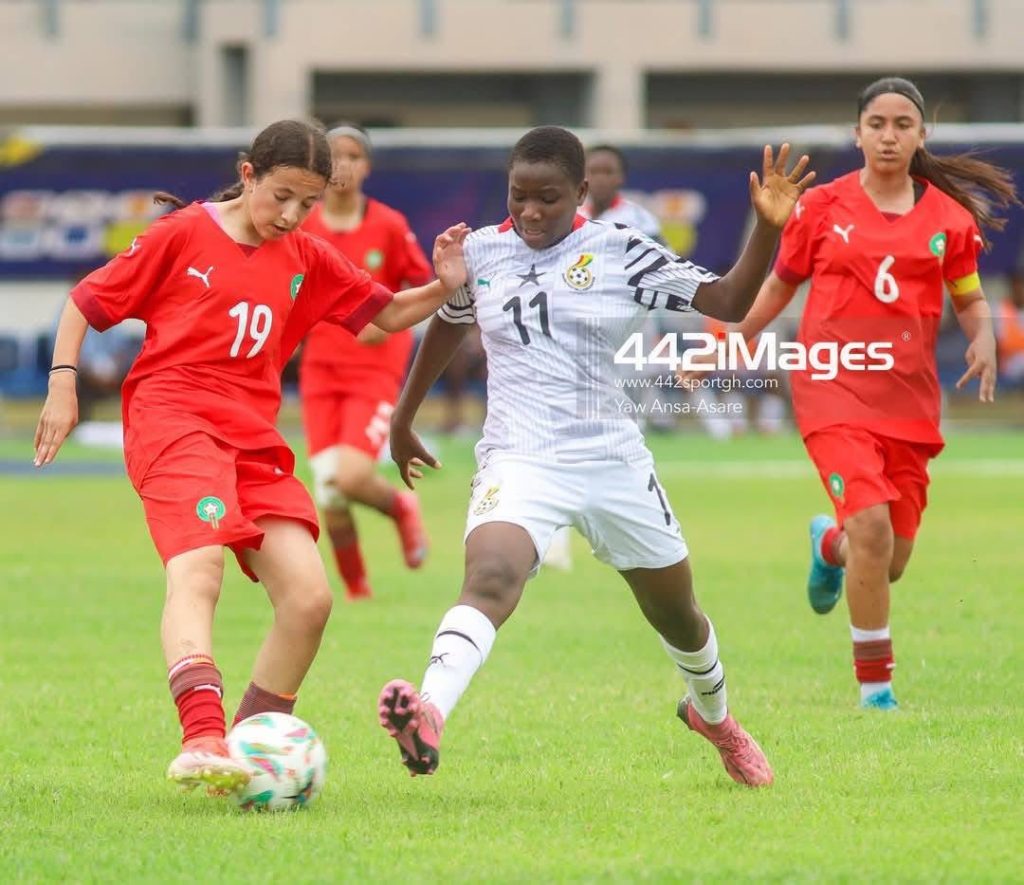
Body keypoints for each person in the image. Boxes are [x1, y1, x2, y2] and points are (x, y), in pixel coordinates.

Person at [33, 119, 468, 796]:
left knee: (308, 597)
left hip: (253, 438)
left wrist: (443, 285)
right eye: (282, 197)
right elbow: (84, 303)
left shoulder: (307, 255)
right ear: (247, 174)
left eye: (308, 203)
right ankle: (201, 737)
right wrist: (63, 382)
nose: (292, 216)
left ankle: (248, 753)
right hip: (172, 421)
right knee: (199, 568)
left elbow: (384, 315)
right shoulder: (182, 235)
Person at [377, 125, 814, 787]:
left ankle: (716, 719)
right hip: (519, 457)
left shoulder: (621, 251)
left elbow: (728, 300)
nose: (528, 211)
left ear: (581, 192)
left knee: (676, 612)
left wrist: (766, 227)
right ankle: (429, 710)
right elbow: (453, 316)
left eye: (546, 199)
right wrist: (406, 416)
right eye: (518, 195)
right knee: (492, 576)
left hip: (611, 458)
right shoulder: (480, 251)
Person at [725, 77, 1018, 710]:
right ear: (857, 133)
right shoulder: (822, 207)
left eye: (902, 124)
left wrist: (983, 339)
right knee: (873, 529)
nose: (889, 135)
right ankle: (876, 691)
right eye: (877, 124)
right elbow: (778, 288)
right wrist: (732, 340)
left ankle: (827, 544)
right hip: (830, 387)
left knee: (887, 559)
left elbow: (967, 296)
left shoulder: (948, 218)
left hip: (908, 402)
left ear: (921, 135)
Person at [299, 123, 434, 601]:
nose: (343, 165)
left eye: (353, 155)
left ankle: (400, 508)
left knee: (352, 477)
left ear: (367, 166)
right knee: (330, 494)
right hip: (320, 372)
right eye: (334, 156)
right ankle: (358, 594)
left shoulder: (389, 225)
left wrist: (386, 319)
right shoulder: (302, 224)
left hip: (375, 370)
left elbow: (424, 284)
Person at [582, 143, 663, 240]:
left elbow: (660, 254)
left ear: (621, 176)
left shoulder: (639, 219)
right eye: (593, 171)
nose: (600, 179)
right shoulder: (572, 215)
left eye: (608, 172)